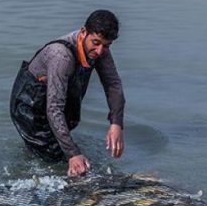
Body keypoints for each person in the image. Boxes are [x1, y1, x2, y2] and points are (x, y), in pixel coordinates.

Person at [10, 10, 126, 177]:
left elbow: (113, 84)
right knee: (68, 165)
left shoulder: (101, 50)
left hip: (56, 102)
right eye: (96, 42)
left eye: (106, 45)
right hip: (30, 108)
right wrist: (72, 154)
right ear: (83, 32)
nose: (100, 51)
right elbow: (54, 108)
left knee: (60, 155)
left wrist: (116, 123)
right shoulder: (61, 56)